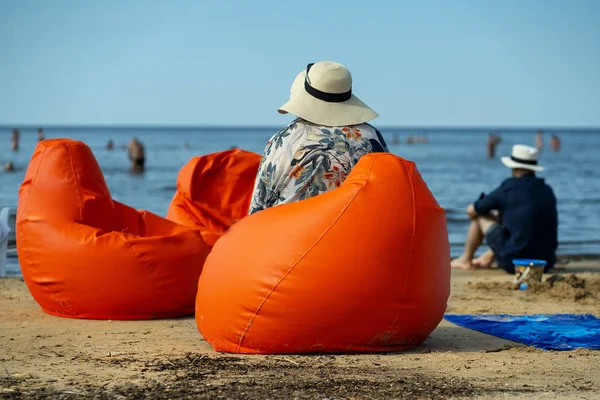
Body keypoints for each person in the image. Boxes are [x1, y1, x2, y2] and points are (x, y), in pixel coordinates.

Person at [248, 61, 388, 215]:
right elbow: (384, 191)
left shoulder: (285, 138)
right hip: (351, 232)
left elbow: (258, 205)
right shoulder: (371, 137)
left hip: (288, 234)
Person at [450, 144, 557, 273]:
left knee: (480, 216)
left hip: (515, 264)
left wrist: (491, 215)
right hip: (545, 263)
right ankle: (488, 257)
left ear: (514, 167)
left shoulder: (509, 188)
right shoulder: (547, 190)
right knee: (518, 222)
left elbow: (472, 210)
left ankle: (465, 259)